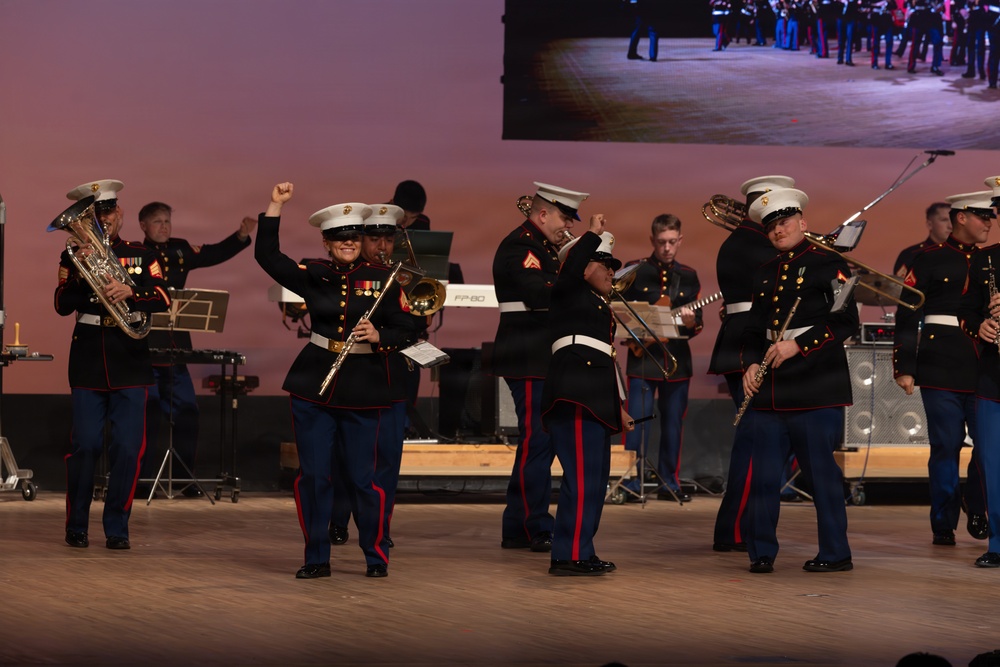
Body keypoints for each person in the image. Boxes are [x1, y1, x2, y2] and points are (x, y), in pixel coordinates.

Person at [255, 183, 413, 579]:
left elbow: (410, 328)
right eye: (340, 238)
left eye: (354, 237)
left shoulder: (384, 277)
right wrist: (275, 205)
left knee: (363, 479)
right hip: (314, 385)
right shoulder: (315, 274)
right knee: (314, 478)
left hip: (365, 387)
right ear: (326, 242)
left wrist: (380, 336)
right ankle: (316, 558)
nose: (348, 243)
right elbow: (267, 255)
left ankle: (376, 555)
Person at [741, 187, 858, 574]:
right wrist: (748, 364)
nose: (778, 230)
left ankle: (836, 553)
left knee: (821, 477)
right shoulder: (764, 272)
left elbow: (846, 321)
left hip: (815, 387)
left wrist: (799, 345)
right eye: (771, 226)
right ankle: (760, 551)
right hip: (771, 389)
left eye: (785, 222)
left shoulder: (831, 263)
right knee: (763, 478)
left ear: (802, 222)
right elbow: (753, 329)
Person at [53, 179, 171, 550]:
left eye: (106, 211)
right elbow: (61, 305)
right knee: (85, 446)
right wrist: (80, 268)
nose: (103, 219)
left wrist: (132, 292)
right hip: (89, 358)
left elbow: (163, 297)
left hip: (130, 360)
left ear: (119, 212)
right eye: (94, 215)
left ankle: (117, 527)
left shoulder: (141, 254)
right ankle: (76, 525)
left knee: (127, 449)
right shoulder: (72, 255)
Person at [894, 190, 993, 547]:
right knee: (945, 446)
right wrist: (905, 366)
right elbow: (907, 316)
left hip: (984, 364)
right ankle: (943, 522)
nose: (989, 223)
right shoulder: (926, 258)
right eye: (983, 216)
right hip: (940, 365)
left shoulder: (989, 260)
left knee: (988, 446)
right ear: (961, 217)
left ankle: (977, 504)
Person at [492, 181, 587, 553]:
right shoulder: (522, 245)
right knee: (537, 441)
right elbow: (537, 292)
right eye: (564, 217)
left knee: (538, 443)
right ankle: (534, 525)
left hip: (541, 354)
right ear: (543, 214)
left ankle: (518, 525)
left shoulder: (544, 246)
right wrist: (579, 275)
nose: (569, 225)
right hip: (528, 353)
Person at [137, 201, 256, 495]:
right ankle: (140, 482)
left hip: (176, 351)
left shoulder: (180, 249)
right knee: (147, 417)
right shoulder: (135, 254)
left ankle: (183, 480)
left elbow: (213, 253)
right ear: (143, 226)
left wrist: (240, 236)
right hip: (145, 350)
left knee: (188, 412)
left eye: (167, 221)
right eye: (157, 221)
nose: (164, 227)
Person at [541, 217, 634, 576]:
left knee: (595, 481)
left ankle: (583, 549)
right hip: (575, 396)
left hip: (597, 400)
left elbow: (605, 360)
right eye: (604, 264)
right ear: (583, 267)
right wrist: (592, 232)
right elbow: (571, 266)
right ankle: (568, 554)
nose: (612, 271)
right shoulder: (568, 290)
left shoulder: (599, 305)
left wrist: (618, 407)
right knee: (581, 478)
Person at [709, 175, 791, 552]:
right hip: (750, 345)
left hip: (741, 340)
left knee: (755, 440)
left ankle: (735, 527)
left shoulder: (744, 240)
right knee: (756, 441)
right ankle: (738, 528)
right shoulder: (757, 244)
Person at [329, 204, 418, 548]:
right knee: (344, 456)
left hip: (392, 378)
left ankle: (380, 527)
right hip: (355, 377)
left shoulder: (403, 276)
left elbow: (411, 327)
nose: (382, 246)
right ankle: (338, 519)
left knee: (387, 459)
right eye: (375, 239)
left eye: (389, 239)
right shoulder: (347, 274)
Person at [620, 214, 703, 503]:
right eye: (661, 242)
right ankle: (630, 480)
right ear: (652, 241)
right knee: (635, 423)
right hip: (643, 360)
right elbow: (620, 309)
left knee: (673, 425)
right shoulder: (635, 270)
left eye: (672, 242)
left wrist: (691, 322)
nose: (667, 248)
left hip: (676, 361)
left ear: (680, 240)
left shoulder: (689, 276)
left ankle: (669, 482)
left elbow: (697, 325)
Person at [957, 177, 1000, 569]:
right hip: (993, 377)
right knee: (991, 462)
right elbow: (966, 311)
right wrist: (980, 326)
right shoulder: (984, 260)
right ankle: (997, 543)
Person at [892, 202, 951, 277]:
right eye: (944, 220)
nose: (951, 226)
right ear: (929, 224)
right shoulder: (911, 255)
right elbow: (898, 283)